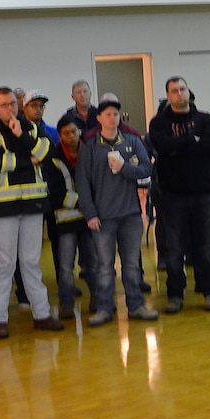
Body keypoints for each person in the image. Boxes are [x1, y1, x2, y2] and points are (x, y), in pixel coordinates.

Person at [0, 87, 62, 337]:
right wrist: (28, 159)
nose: (9, 109)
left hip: (33, 203)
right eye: (4, 105)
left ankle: (42, 313)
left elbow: (47, 154)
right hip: (4, 207)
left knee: (31, 262)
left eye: (13, 103)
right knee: (5, 264)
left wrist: (22, 138)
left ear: (19, 104)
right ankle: (0, 319)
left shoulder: (31, 127)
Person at [147, 76, 210, 313]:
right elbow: (161, 146)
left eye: (182, 89)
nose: (179, 93)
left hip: (203, 193)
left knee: (206, 246)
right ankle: (175, 295)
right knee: (174, 248)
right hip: (173, 195)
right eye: (174, 90)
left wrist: (177, 147)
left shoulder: (205, 120)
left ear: (188, 92)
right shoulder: (159, 122)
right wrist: (191, 141)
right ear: (168, 95)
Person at [77, 99, 157, 326]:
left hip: (131, 214)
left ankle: (136, 305)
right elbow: (82, 182)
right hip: (103, 217)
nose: (113, 118)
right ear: (99, 118)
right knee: (104, 265)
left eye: (116, 114)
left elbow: (146, 169)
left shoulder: (132, 141)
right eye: (108, 114)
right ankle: (104, 308)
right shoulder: (90, 146)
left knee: (131, 264)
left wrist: (125, 168)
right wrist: (90, 214)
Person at [42, 117, 93, 315]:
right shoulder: (53, 158)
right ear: (60, 135)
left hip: (89, 219)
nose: (71, 136)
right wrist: (82, 203)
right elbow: (55, 192)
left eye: (74, 131)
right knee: (65, 266)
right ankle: (66, 304)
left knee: (92, 263)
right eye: (66, 133)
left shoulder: (89, 153)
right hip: (65, 221)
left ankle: (99, 300)